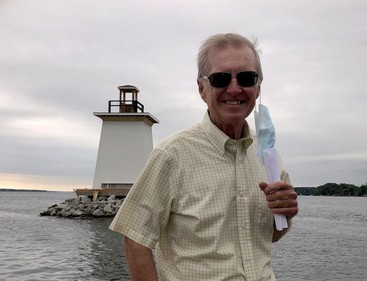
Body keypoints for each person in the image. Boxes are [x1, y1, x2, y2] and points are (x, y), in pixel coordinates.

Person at [110, 33, 298, 281]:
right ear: (202, 88)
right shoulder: (172, 155)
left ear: (258, 87)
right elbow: (135, 241)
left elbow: (271, 235)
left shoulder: (268, 157)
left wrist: (285, 215)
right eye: (220, 79)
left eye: (246, 77)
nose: (234, 88)